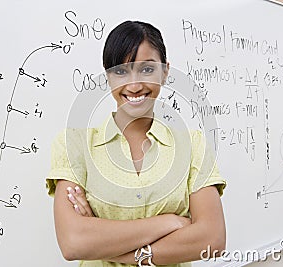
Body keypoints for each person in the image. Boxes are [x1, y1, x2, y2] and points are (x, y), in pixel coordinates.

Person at [46, 20, 226, 267]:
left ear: (165, 72)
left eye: (147, 69)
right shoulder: (74, 144)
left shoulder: (194, 145)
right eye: (121, 71)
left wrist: (106, 245)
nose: (134, 85)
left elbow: (212, 240)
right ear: (108, 76)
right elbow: (73, 242)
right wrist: (169, 223)